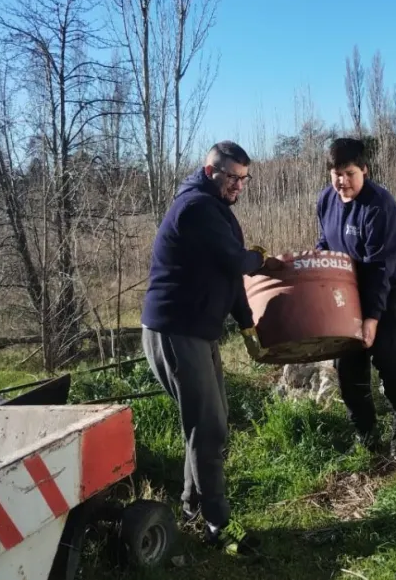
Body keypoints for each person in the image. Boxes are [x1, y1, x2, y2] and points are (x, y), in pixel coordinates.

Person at [140, 141, 268, 557]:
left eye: (244, 179)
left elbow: (228, 278)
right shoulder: (195, 207)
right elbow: (237, 264)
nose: (238, 186)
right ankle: (218, 523)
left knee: (209, 422)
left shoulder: (219, 213)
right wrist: (261, 259)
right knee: (207, 428)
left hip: (198, 331)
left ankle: (194, 509)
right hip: (175, 332)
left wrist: (248, 328)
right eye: (232, 177)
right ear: (210, 171)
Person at [315, 137, 396, 458]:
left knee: (387, 354)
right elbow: (326, 243)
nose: (342, 181)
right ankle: (367, 433)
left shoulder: (379, 207)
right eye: (336, 174)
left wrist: (372, 320)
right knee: (348, 364)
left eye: (349, 173)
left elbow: (379, 268)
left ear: (364, 170)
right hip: (350, 292)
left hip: (395, 289)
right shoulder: (326, 200)